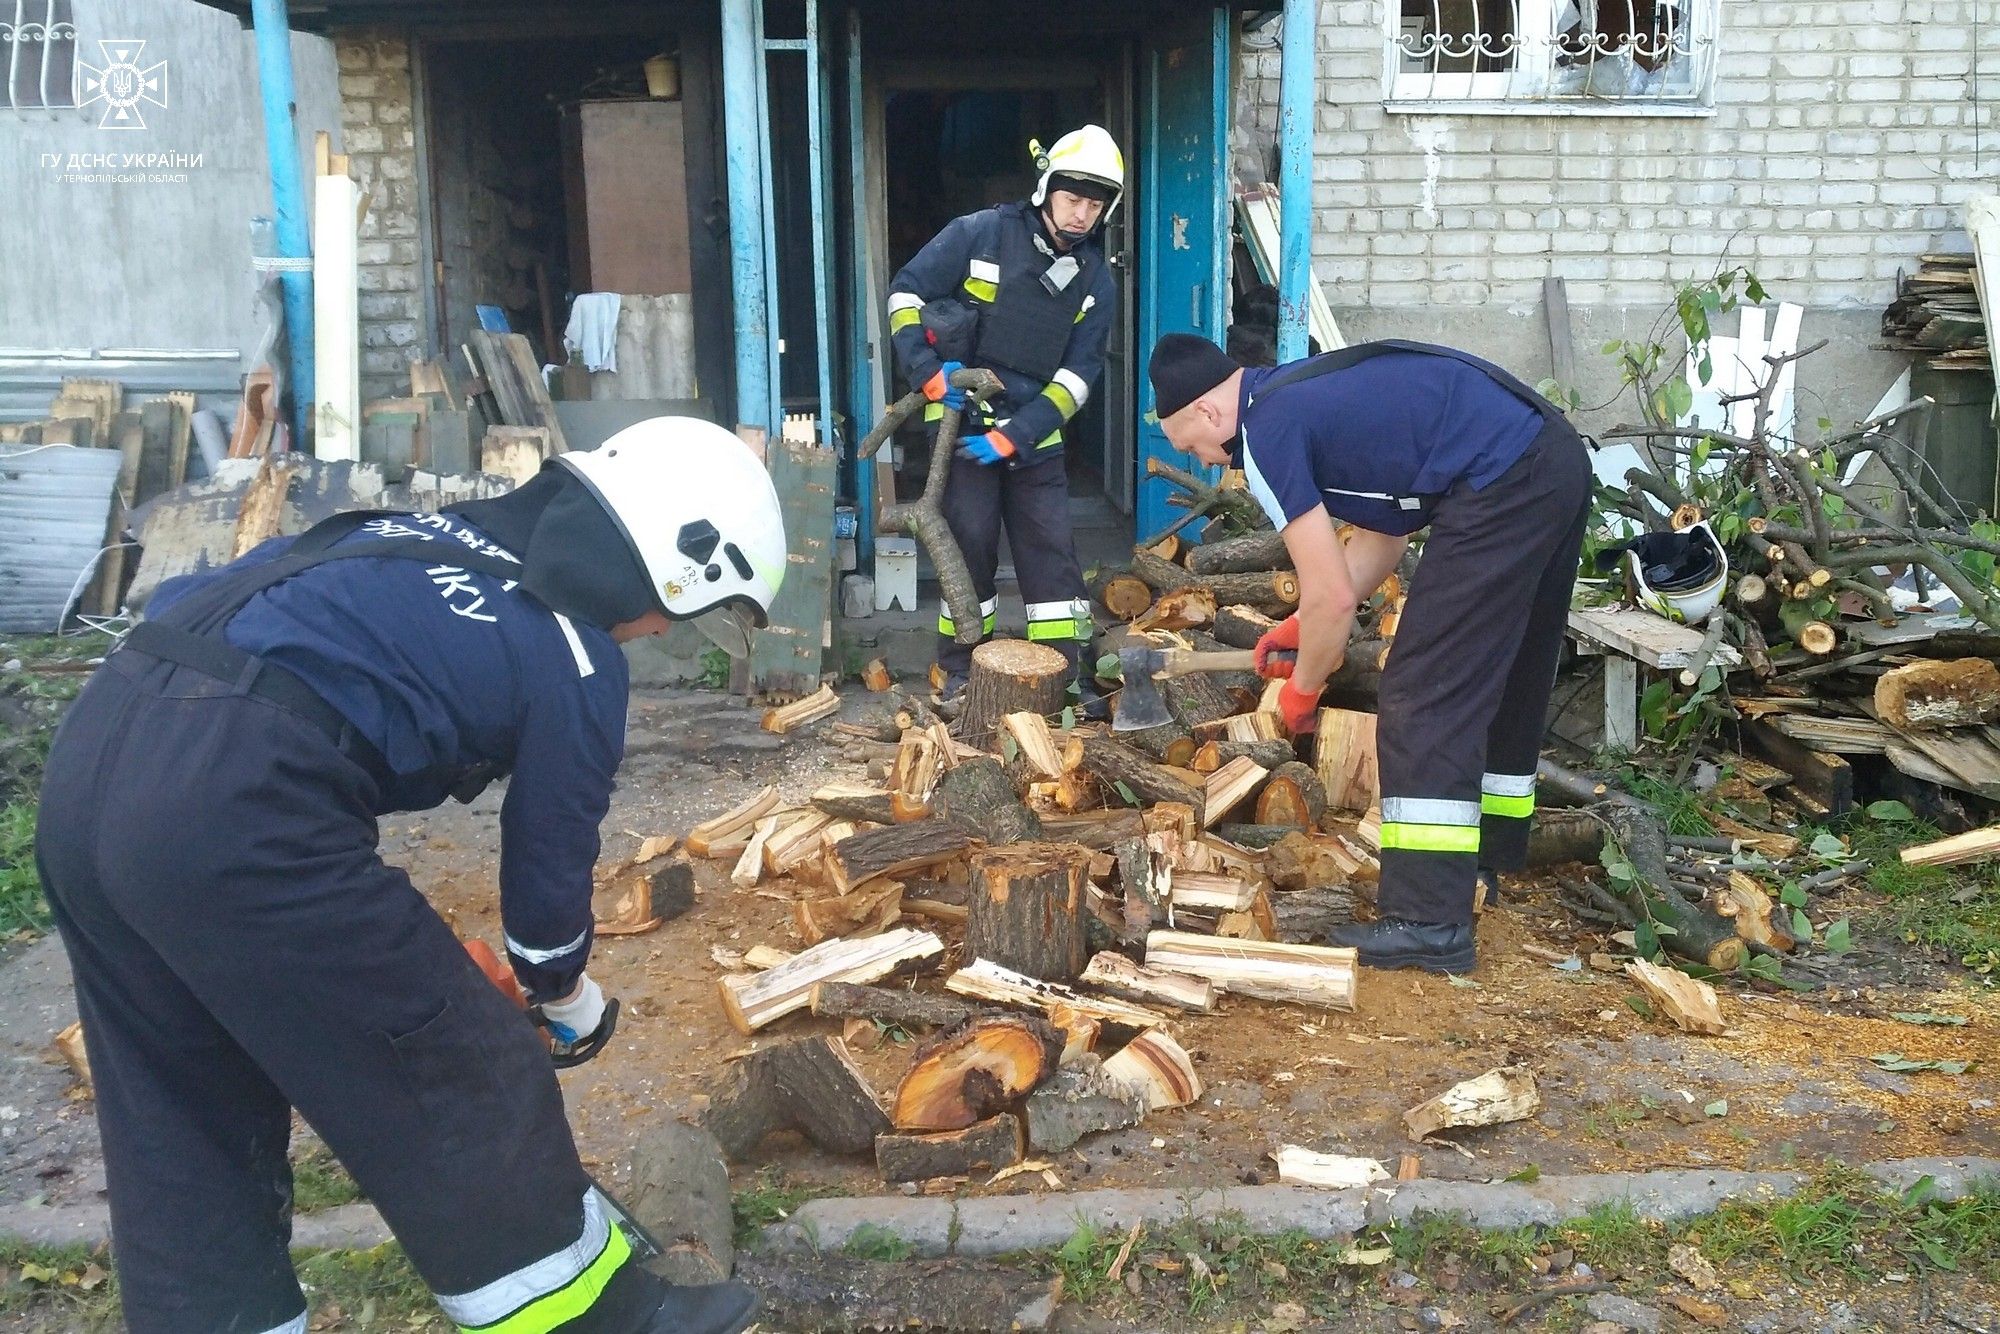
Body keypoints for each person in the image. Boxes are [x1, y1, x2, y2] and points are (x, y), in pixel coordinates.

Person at [35, 418, 783, 1334]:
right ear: (670, 563)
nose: (663, 628)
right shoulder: (575, 655)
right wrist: (563, 995)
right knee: (460, 1060)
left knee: (180, 1106)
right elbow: (547, 881)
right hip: (235, 803)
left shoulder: (401, 533)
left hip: (93, 761)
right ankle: (598, 1320)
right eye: (682, 606)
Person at [1146, 334, 1592, 973]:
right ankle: (1483, 862)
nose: (1212, 464)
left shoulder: (1268, 427)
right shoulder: (1306, 396)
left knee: (1422, 689)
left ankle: (1429, 923)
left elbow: (1332, 597)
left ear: (1211, 415)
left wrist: (1302, 689)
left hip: (1505, 475)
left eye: (1195, 447)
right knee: (1508, 666)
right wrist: (1301, 625)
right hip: (1549, 454)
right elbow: (1383, 539)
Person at [885, 124, 1123, 697]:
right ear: (1046, 190)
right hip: (963, 434)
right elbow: (905, 295)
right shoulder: (979, 233)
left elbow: (1077, 377)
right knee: (968, 552)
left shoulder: (1095, 278)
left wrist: (1018, 434)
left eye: (1094, 205)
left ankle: (1063, 679)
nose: (1080, 215)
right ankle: (965, 673)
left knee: (1054, 561)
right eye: (1072, 199)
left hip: (1034, 442)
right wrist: (927, 372)